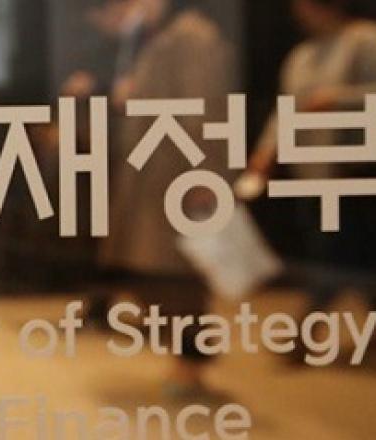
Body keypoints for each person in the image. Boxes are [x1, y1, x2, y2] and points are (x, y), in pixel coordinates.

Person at [97, 0, 236, 395]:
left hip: (179, 177)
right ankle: (186, 356)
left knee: (179, 277)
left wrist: (204, 175)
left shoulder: (193, 38)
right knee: (160, 275)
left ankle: (190, 360)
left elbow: (205, 112)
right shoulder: (163, 38)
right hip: (158, 177)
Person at [248, 0, 376, 354]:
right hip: (314, 170)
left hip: (359, 170)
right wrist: (266, 151)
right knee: (348, 253)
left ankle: (305, 330)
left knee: (335, 252)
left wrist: (339, 99)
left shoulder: (369, 40)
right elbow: (286, 111)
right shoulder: (302, 57)